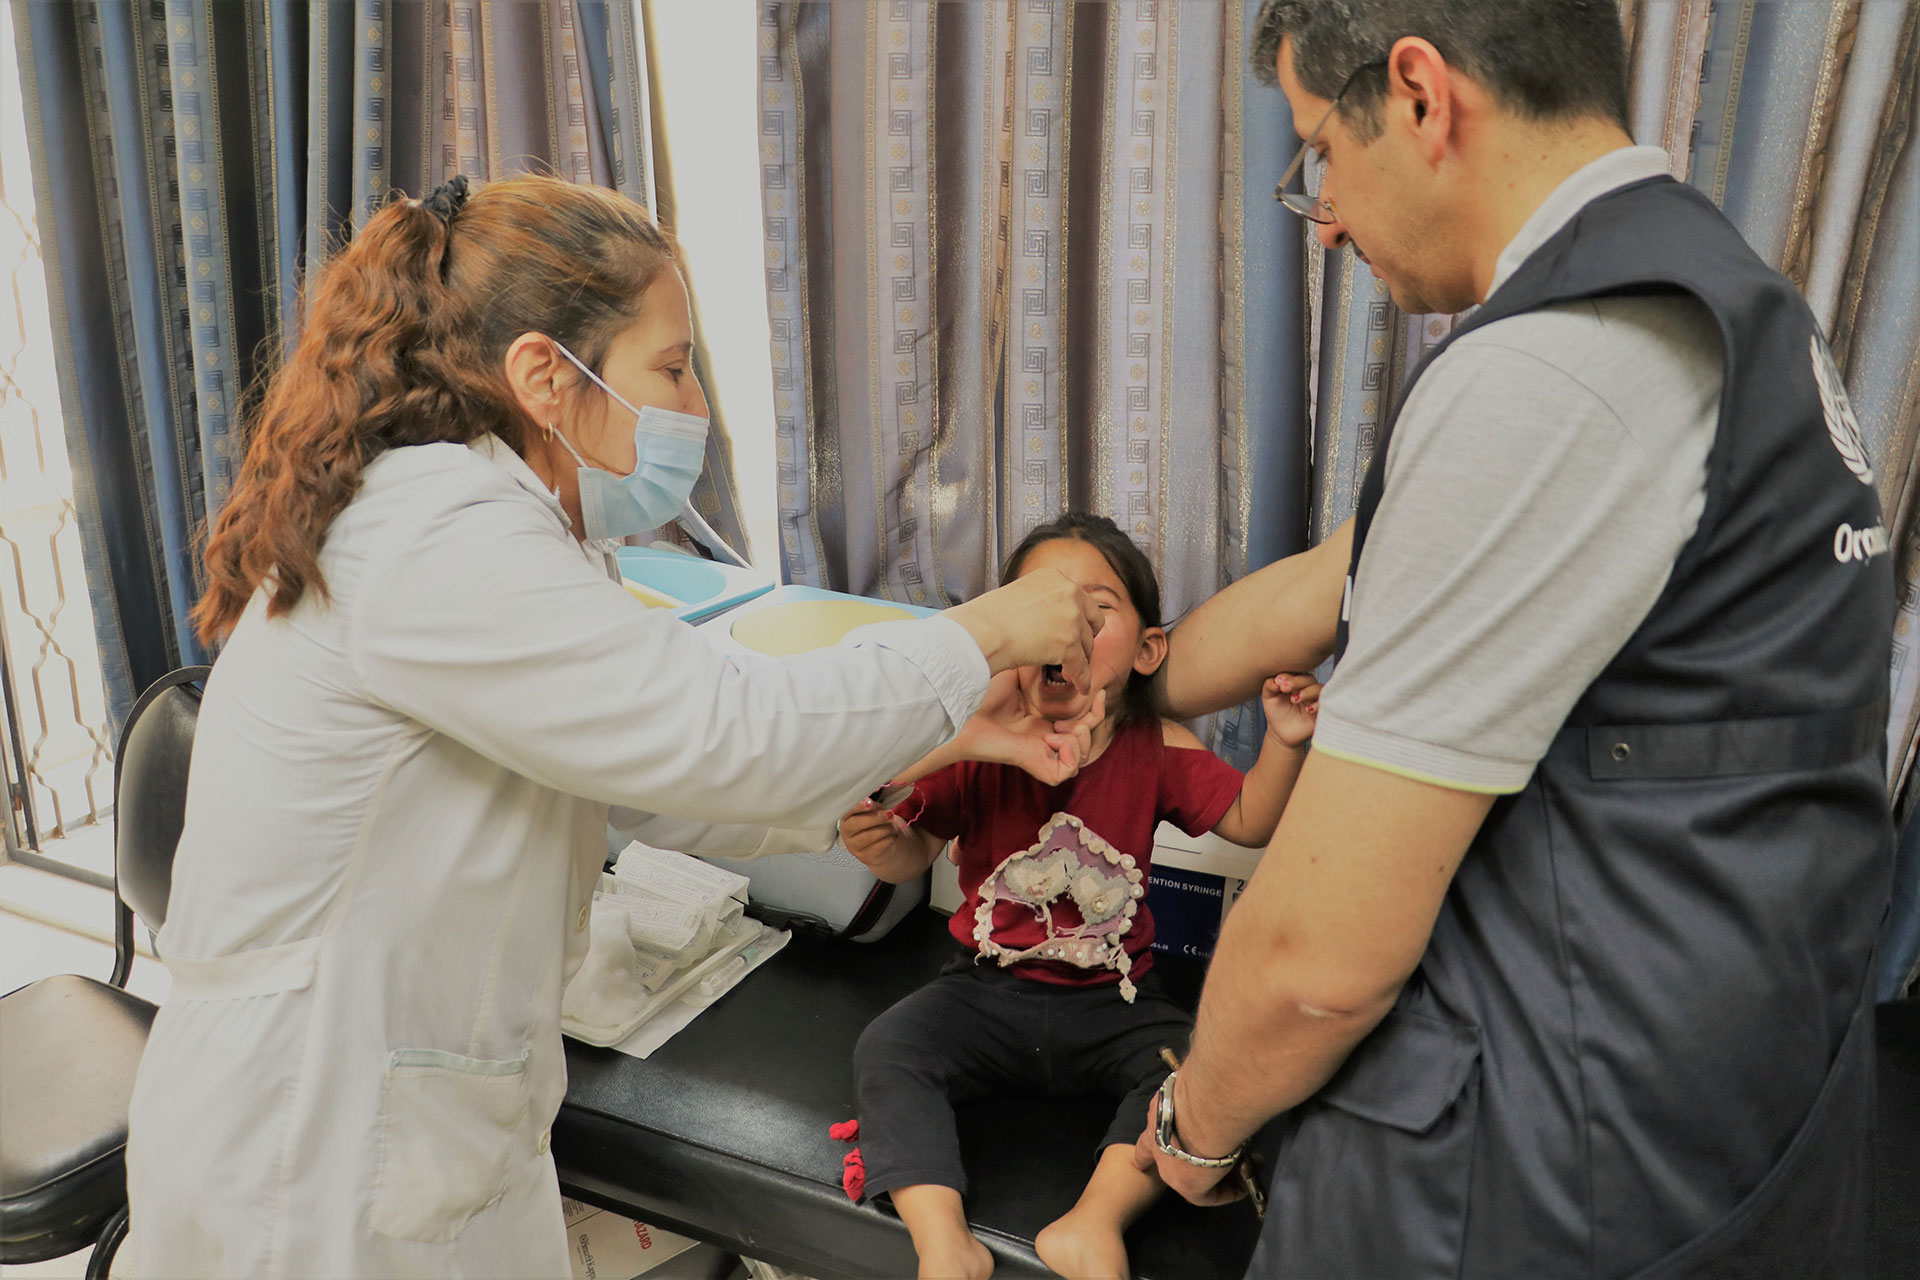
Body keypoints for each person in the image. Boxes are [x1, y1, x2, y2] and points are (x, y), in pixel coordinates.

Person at [123, 174, 1105, 1277]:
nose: (693, 407)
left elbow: (666, 773)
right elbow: (722, 732)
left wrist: (961, 727)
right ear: (546, 373)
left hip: (401, 1122)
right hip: (306, 1150)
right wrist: (987, 630)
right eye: (672, 366)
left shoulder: (515, 538)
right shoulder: (437, 531)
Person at [1129, 3, 1894, 1277]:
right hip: (1728, 1095)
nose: (1321, 219)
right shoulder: (1717, 296)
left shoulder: (1549, 376)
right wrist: (1127, 673)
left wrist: (1196, 1130)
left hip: (1548, 1164)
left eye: (1319, 152)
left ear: (1422, 96)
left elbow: (1319, 961)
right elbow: (1343, 575)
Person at [838, 513, 1321, 1280]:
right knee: (888, 1048)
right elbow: (911, 853)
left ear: (1146, 649)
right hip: (982, 989)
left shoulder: (1154, 745)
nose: (1066, 634)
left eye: (1094, 615)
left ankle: (1093, 1223)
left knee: (1196, 1073)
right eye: (1044, 611)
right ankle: (944, 1243)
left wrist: (1285, 743)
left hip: (1115, 999)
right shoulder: (982, 736)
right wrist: (884, 844)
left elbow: (1249, 819)